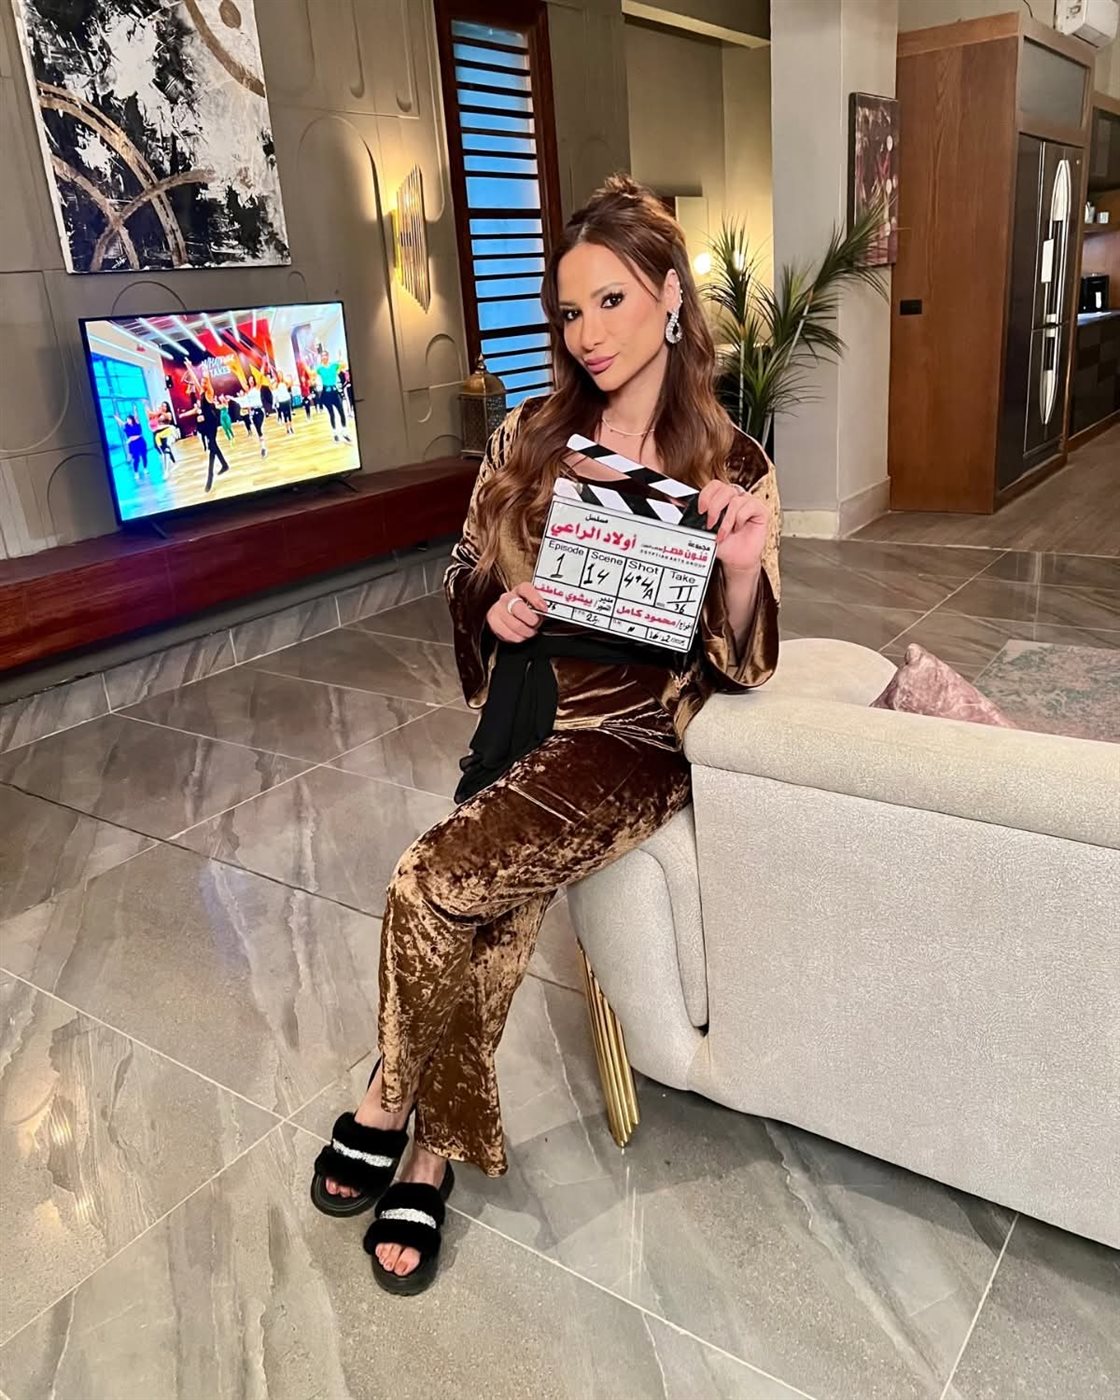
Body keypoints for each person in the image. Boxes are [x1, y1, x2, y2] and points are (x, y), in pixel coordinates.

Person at [308, 175, 780, 1296]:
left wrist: (742, 567)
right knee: (488, 915)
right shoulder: (529, 435)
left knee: (430, 883)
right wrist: (496, 606)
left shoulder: (732, 462)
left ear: (669, 296)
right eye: (570, 311)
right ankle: (436, 1151)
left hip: (627, 743)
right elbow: (463, 570)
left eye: (611, 301)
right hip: (522, 711)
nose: (588, 333)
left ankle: (387, 1098)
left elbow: (747, 664)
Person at [190, 391, 230, 492]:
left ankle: (210, 477)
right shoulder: (201, 397)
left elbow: (214, 409)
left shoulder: (208, 394)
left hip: (212, 424)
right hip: (206, 426)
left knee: (212, 449)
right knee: (214, 447)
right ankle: (224, 465)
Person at [316, 350, 351, 442]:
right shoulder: (319, 368)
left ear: (328, 356)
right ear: (321, 358)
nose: (324, 357)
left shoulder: (334, 365)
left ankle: (344, 432)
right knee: (331, 414)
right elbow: (312, 374)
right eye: (322, 356)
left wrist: (340, 358)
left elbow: (344, 365)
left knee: (341, 412)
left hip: (335, 392)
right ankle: (335, 433)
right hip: (326, 393)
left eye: (325, 355)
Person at [113, 408, 149, 481]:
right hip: (133, 445)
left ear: (132, 419)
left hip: (140, 442)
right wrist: (116, 417)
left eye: (129, 420)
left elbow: (136, 417)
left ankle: (145, 468)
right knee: (136, 459)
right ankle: (136, 472)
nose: (128, 421)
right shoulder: (126, 426)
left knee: (144, 456)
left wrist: (135, 410)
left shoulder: (137, 424)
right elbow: (121, 422)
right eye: (127, 420)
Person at [239, 383, 267, 456]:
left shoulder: (257, 388)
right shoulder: (247, 393)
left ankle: (263, 446)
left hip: (259, 410)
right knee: (258, 430)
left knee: (259, 428)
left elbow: (260, 380)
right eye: (249, 380)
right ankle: (263, 447)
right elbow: (247, 404)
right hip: (253, 412)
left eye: (252, 380)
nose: (251, 382)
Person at [146, 401, 177, 467]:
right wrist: (148, 410)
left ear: (167, 407)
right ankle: (171, 459)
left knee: (164, 446)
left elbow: (168, 418)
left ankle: (169, 459)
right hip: (158, 431)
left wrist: (160, 412)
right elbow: (151, 415)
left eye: (165, 406)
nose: (163, 407)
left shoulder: (168, 413)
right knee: (163, 446)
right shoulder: (159, 414)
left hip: (165, 431)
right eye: (162, 406)